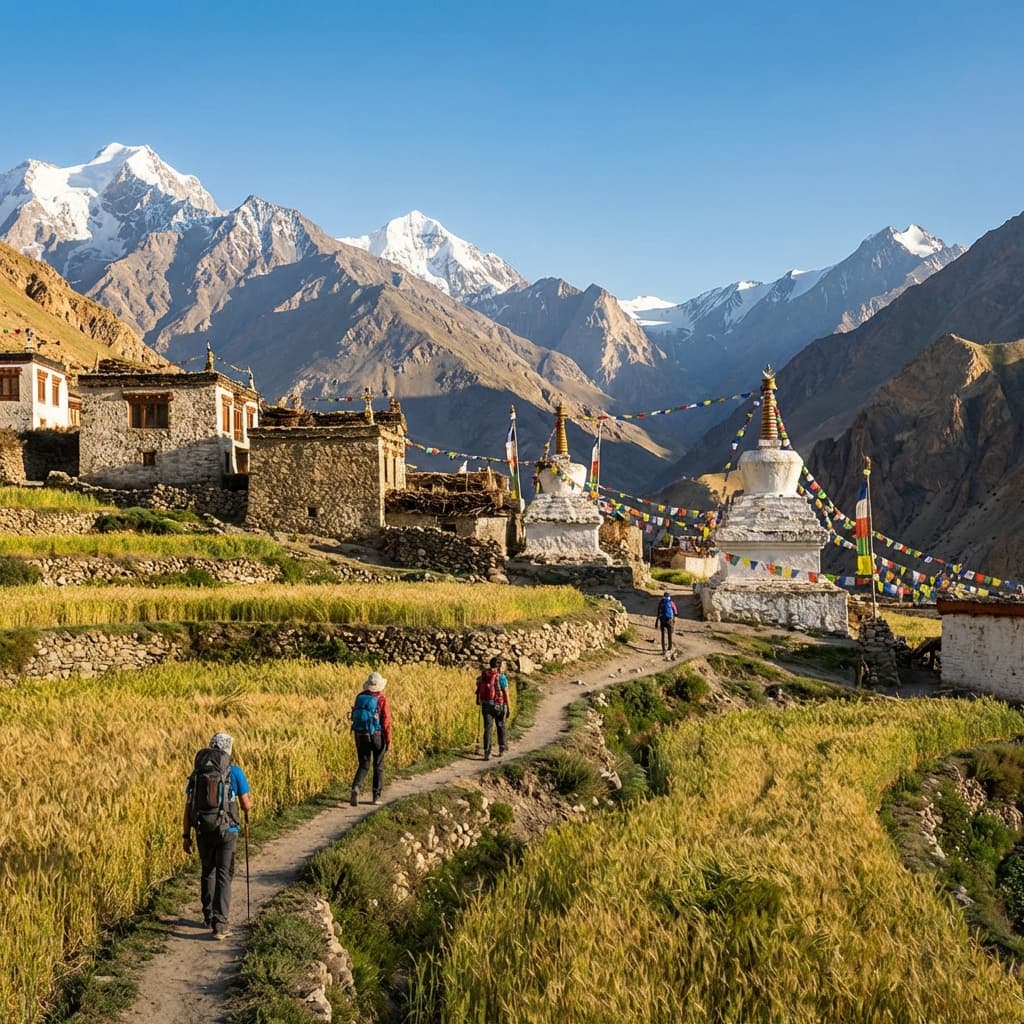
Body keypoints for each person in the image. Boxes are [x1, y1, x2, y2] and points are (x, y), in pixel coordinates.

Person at [182, 732, 252, 940]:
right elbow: (246, 804)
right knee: (223, 874)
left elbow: (188, 808)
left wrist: (186, 835)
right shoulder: (235, 771)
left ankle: (208, 914)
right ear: (228, 750)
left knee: (207, 870)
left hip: (203, 828)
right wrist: (246, 811)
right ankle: (220, 924)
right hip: (227, 830)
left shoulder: (196, 775)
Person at [349, 671, 392, 806]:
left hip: (360, 734)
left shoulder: (359, 697)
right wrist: (388, 739)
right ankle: (376, 796)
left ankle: (356, 787)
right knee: (378, 766)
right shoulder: (381, 699)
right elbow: (386, 722)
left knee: (364, 764)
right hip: (376, 735)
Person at [476, 656, 509, 760]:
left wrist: (478, 700)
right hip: (499, 704)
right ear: (499, 665)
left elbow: (478, 688)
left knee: (488, 728)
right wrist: (509, 707)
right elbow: (506, 693)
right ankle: (501, 749)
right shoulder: (501, 677)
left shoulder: (484, 675)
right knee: (501, 725)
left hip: (486, 704)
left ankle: (487, 752)